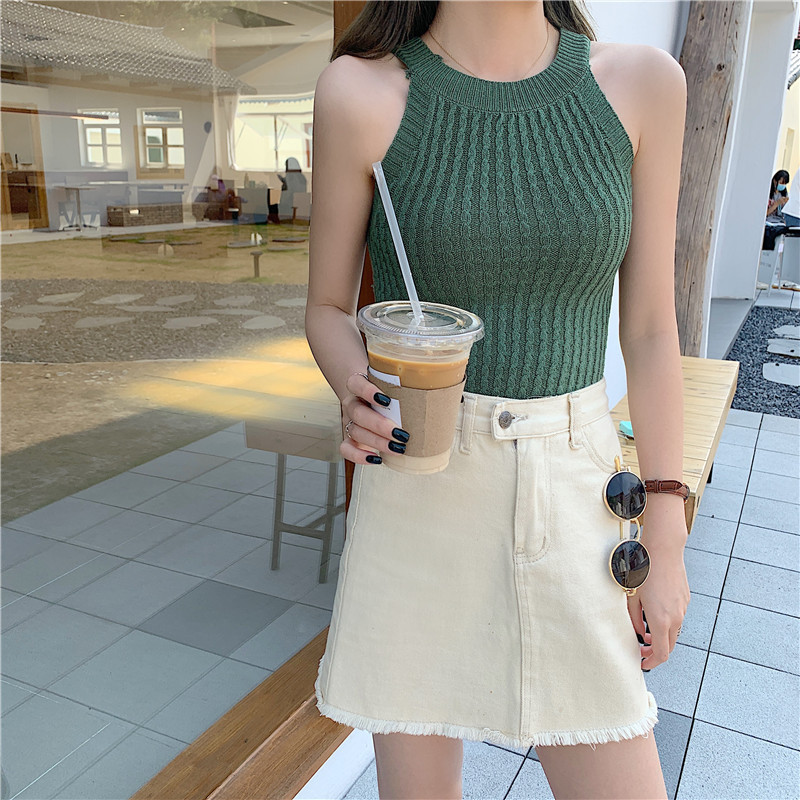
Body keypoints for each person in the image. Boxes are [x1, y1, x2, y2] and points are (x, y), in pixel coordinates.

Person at [305, 2, 690, 798]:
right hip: (418, 492)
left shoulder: (643, 85)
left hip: (575, 486)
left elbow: (652, 331)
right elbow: (328, 309)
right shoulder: (359, 92)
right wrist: (360, 387)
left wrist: (668, 533)